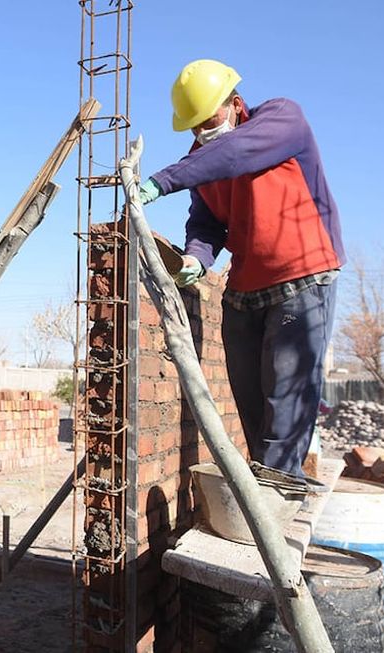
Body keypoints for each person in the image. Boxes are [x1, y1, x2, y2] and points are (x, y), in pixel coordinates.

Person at [139, 59, 344, 477]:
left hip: (302, 279)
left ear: (235, 103)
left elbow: (235, 153)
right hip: (244, 290)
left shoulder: (281, 119)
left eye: (207, 121)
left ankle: (278, 498)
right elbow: (206, 222)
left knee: (285, 404)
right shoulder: (202, 160)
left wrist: (162, 180)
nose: (201, 133)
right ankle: (266, 496)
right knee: (250, 403)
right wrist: (197, 256)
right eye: (193, 127)